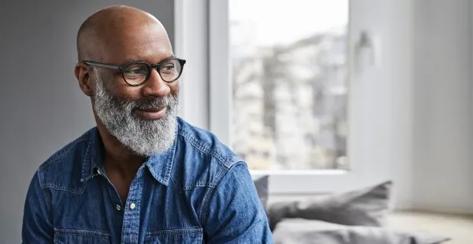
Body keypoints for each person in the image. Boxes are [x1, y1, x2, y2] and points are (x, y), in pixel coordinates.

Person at [22, 5, 272, 243]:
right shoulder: (51, 185)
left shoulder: (220, 177)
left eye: (167, 67)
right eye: (134, 71)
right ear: (87, 79)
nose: (159, 88)